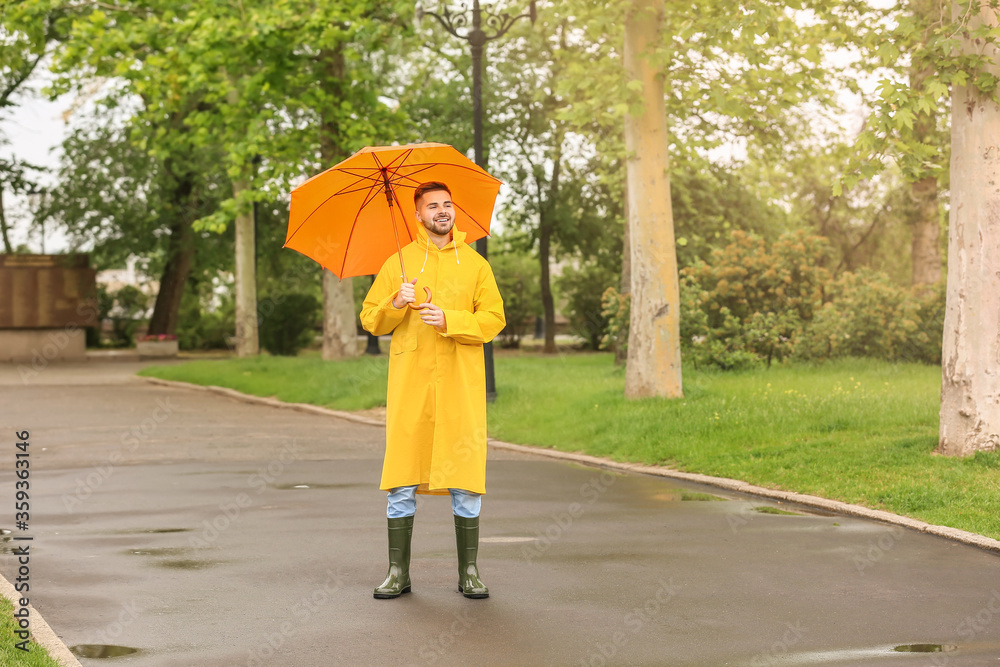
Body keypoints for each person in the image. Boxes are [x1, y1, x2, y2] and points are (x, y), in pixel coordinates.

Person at [360, 180, 505, 600]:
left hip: (460, 386)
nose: (442, 210)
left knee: (464, 479)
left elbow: (493, 319)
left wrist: (451, 321)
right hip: (412, 388)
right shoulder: (398, 263)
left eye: (447, 203)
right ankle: (396, 572)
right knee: (403, 479)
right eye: (433, 206)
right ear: (418, 214)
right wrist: (396, 302)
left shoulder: (476, 265)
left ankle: (470, 571)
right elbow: (371, 319)